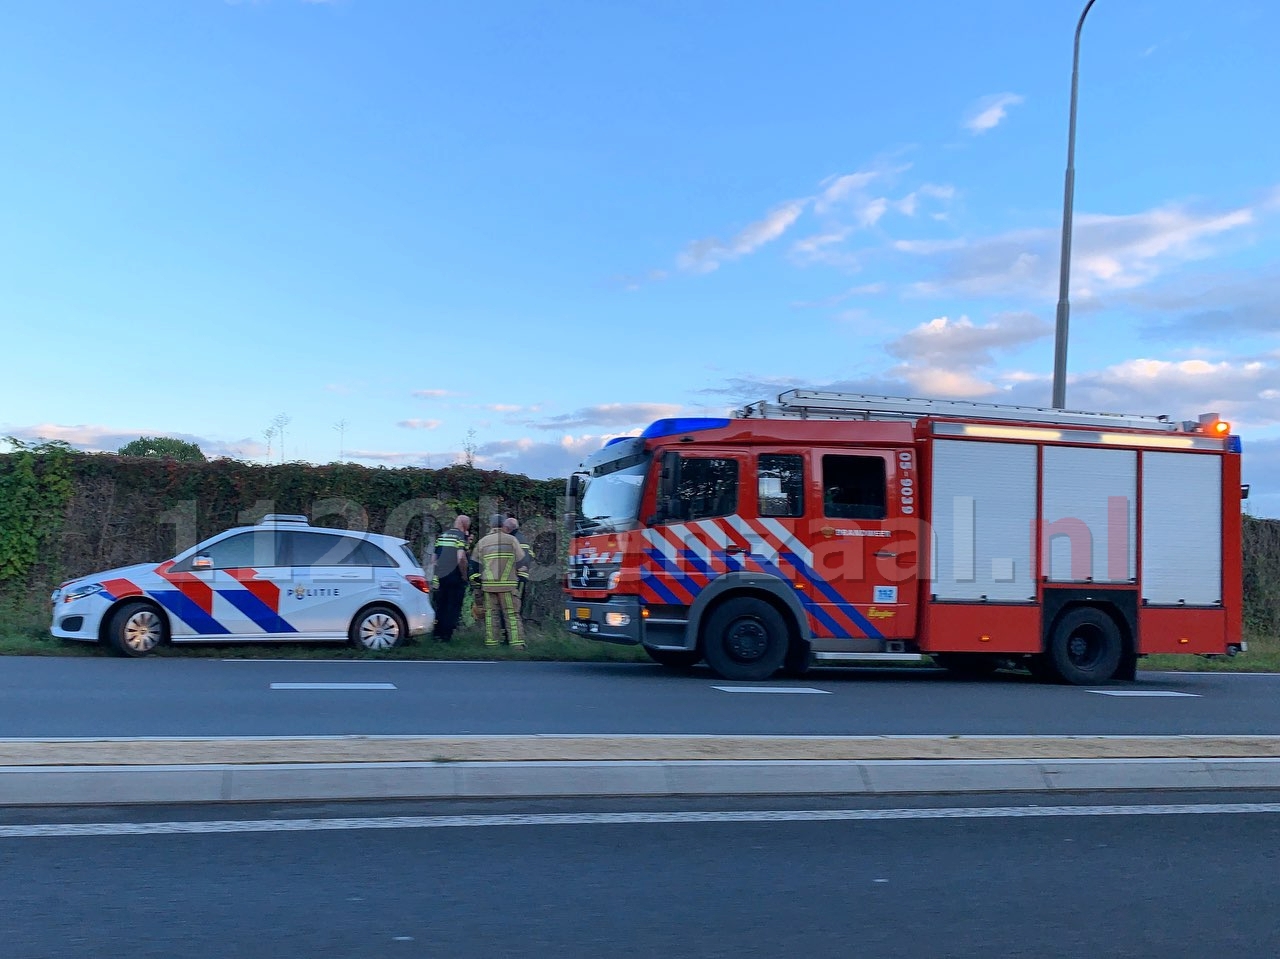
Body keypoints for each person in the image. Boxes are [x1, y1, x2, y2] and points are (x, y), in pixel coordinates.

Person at [472, 512, 527, 648]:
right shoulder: (511, 540)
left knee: (491, 615)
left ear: (491, 525)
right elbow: (522, 560)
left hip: (489, 586)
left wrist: (477, 584)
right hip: (508, 586)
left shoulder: (482, 542)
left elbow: (474, 565)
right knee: (512, 615)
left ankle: (492, 644)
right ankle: (517, 645)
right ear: (504, 525)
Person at [430, 515, 470, 642]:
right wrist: (464, 575)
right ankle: (447, 636)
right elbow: (461, 558)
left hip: (441, 577)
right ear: (466, 525)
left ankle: (437, 634)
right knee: (453, 606)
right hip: (455, 577)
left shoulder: (442, 536)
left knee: (441, 605)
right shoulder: (460, 537)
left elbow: (433, 559)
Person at [504, 515, 533, 624]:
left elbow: (522, 559)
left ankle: (514, 631)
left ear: (509, 528)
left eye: (505, 528)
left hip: (518, 577)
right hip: (519, 577)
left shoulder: (515, 539)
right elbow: (531, 555)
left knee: (515, 606)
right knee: (513, 605)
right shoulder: (521, 538)